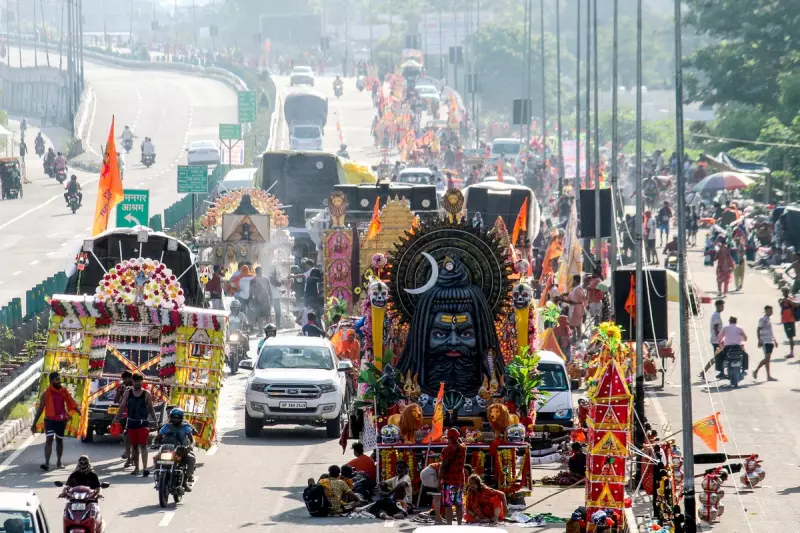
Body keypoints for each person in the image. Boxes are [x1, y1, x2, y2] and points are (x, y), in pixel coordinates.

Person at [31, 372, 81, 471]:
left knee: (59, 441)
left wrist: (77, 410)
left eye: (59, 379)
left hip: (61, 420)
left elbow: (70, 401)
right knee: (49, 440)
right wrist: (34, 423)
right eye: (57, 380)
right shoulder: (45, 394)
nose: (59, 381)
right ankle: (46, 463)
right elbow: (40, 409)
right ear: (51, 381)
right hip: (49, 420)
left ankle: (59, 462)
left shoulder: (63, 391)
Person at [112, 373, 157, 477]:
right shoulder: (128, 393)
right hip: (131, 423)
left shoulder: (147, 394)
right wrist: (116, 418)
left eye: (139, 381)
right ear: (132, 381)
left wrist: (155, 421)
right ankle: (136, 468)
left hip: (143, 424)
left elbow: (151, 409)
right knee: (135, 447)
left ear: (142, 381)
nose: (137, 383)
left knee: (143, 446)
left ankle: (145, 468)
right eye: (135, 381)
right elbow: (122, 406)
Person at [153, 408, 196, 490]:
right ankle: (158, 479)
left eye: (178, 417)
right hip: (166, 450)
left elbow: (192, 440)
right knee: (156, 458)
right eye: (174, 417)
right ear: (171, 417)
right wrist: (154, 444)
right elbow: (156, 438)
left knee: (191, 459)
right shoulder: (166, 427)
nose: (176, 419)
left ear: (181, 418)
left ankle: (185, 480)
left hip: (181, 450)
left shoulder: (185, 427)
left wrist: (191, 446)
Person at [439, 428, 466, 525]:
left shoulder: (447, 449)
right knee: (459, 504)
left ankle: (449, 526)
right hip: (459, 480)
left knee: (448, 504)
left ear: (449, 438)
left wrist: (439, 480)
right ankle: (459, 525)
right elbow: (460, 443)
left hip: (449, 480)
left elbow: (443, 466)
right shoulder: (463, 448)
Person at [700, 299, 725, 379]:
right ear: (717, 306)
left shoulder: (716, 314)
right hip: (716, 340)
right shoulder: (716, 315)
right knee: (718, 357)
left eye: (723, 306)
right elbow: (715, 327)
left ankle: (704, 372)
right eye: (721, 306)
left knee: (718, 357)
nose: (722, 307)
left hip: (716, 340)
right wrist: (719, 339)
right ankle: (704, 372)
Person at [114, 370, 134, 466]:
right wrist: (119, 392)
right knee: (126, 436)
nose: (124, 381)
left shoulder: (137, 387)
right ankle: (128, 456)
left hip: (135, 415)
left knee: (133, 438)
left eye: (125, 379)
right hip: (125, 415)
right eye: (123, 379)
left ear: (131, 378)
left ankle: (132, 457)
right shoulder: (121, 387)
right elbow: (116, 401)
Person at [754, 305, 777, 381]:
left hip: (770, 340)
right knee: (767, 359)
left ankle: (768, 376)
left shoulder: (768, 319)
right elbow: (758, 329)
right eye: (770, 311)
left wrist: (774, 340)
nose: (771, 312)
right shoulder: (763, 319)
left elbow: (770, 331)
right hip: (765, 341)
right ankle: (756, 370)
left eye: (771, 311)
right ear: (766, 311)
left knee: (768, 359)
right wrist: (759, 340)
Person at [250, 266, 273, 331]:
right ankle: (261, 331)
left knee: (267, 316)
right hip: (258, 300)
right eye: (259, 271)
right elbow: (251, 291)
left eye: (261, 271)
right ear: (257, 272)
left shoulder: (265, 279)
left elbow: (269, 290)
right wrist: (251, 299)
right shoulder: (253, 280)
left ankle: (269, 330)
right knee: (260, 316)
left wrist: (271, 299)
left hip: (264, 299)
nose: (260, 273)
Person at [779, 287, 797, 359]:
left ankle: (792, 352)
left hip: (790, 320)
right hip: (785, 320)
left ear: (787, 292)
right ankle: (791, 352)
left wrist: (789, 301)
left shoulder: (790, 299)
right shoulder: (783, 300)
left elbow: (795, 305)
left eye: (784, 291)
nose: (783, 293)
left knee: (791, 337)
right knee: (789, 337)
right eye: (783, 291)